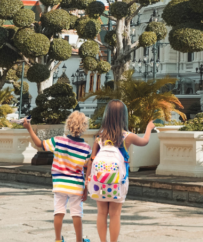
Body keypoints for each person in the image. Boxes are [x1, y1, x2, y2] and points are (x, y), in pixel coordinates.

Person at [86, 100, 154, 242]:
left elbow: (92, 159)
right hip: (118, 182)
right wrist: (149, 127)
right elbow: (145, 141)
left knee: (101, 212)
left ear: (106, 116)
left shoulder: (100, 137)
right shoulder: (127, 136)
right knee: (115, 214)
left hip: (99, 182)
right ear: (123, 116)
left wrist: (88, 178)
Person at [22, 112, 92, 242]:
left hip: (59, 184)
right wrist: (85, 189)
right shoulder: (86, 148)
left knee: (58, 212)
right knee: (77, 213)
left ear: (68, 125)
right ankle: (78, 240)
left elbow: (39, 144)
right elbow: (88, 168)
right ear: (84, 127)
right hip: (76, 185)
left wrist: (29, 128)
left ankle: (58, 239)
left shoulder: (58, 141)